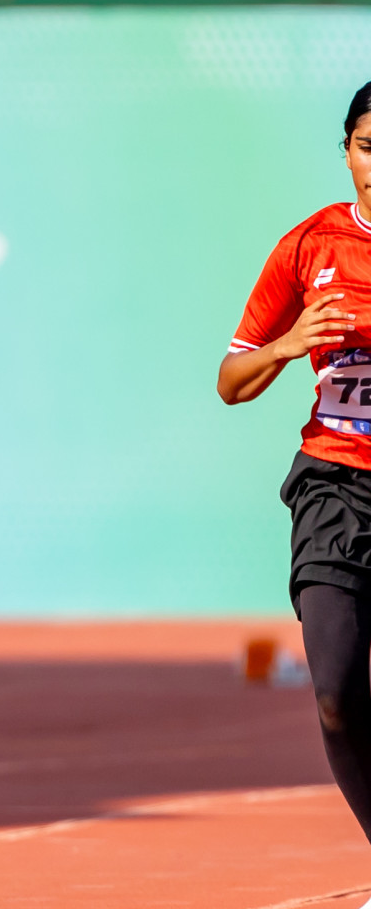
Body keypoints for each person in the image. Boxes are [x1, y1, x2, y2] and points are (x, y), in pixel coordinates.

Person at [219, 80, 371, 859]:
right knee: (339, 696)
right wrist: (288, 343)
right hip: (335, 487)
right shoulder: (310, 247)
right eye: (367, 148)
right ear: (346, 150)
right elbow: (231, 380)